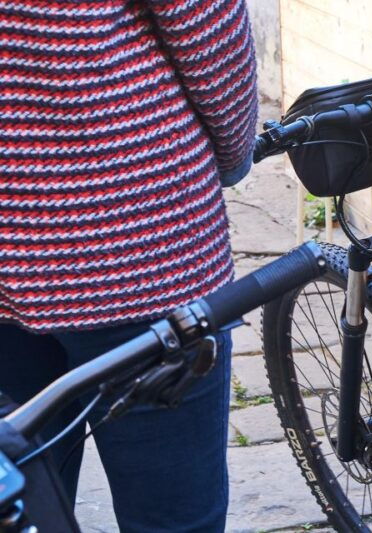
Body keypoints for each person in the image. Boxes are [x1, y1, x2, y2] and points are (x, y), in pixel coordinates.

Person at [0, 0, 258, 530]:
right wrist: (233, 159)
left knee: (17, 506)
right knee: (173, 517)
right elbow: (211, 38)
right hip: (135, 246)